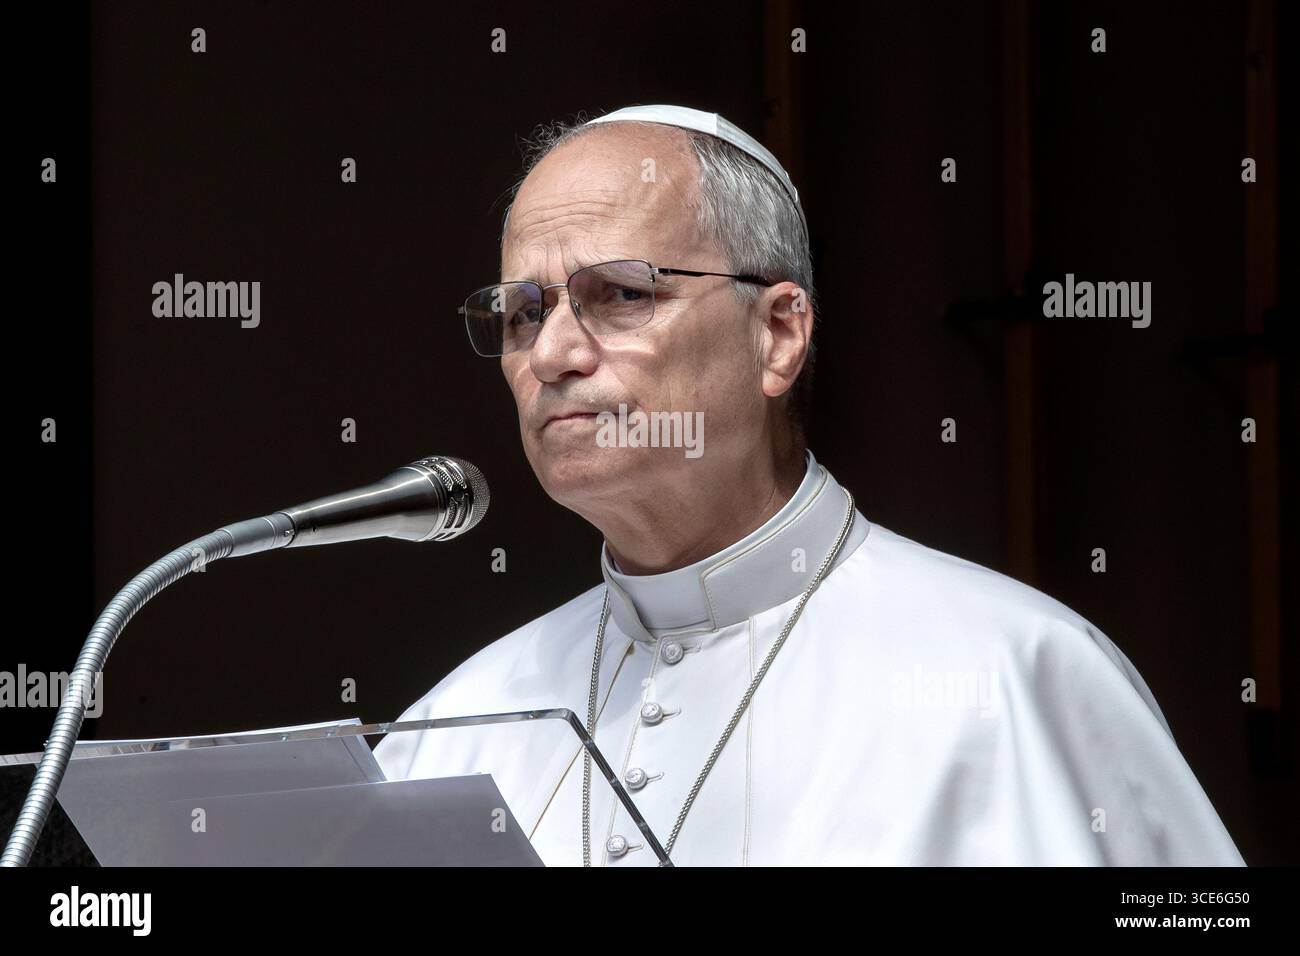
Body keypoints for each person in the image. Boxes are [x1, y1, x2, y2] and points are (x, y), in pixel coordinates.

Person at [374, 105, 1245, 867]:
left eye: (622, 295)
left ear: (779, 335)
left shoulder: (1015, 671)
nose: (555, 354)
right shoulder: (455, 730)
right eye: (524, 311)